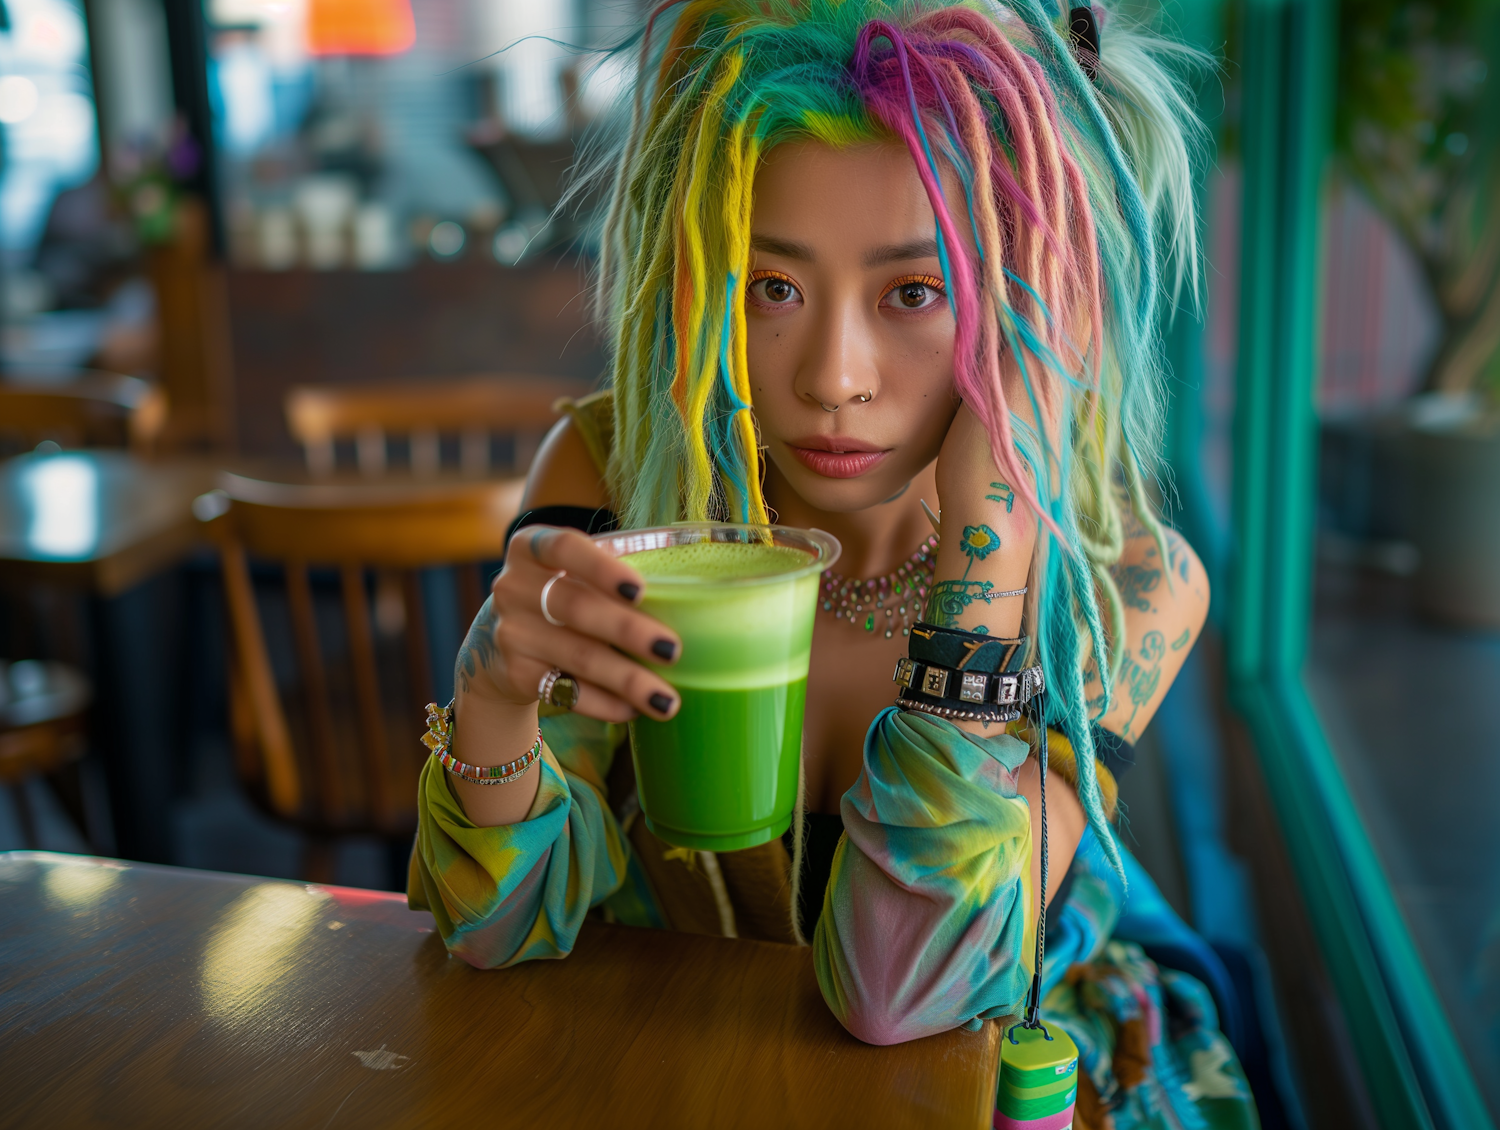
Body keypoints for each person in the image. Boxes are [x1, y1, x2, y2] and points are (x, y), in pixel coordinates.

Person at [409, 1, 1255, 1124]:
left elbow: (903, 993)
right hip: (678, 1068)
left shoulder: (1125, 584)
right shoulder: (619, 476)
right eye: (773, 287)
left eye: (915, 292)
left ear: (1031, 306)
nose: (833, 377)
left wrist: (990, 538)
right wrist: (495, 701)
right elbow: (492, 927)